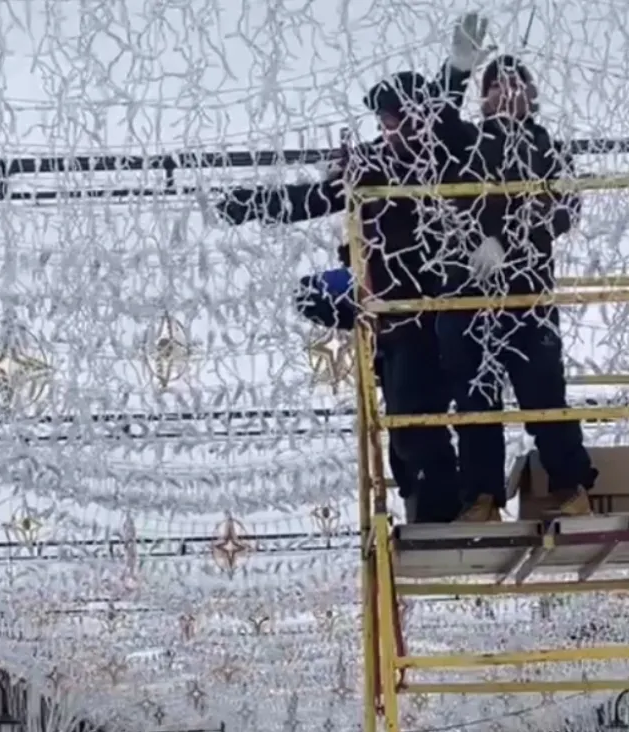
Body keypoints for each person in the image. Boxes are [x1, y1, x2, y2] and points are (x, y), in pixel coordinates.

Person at [216, 14, 492, 523]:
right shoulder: (371, 164)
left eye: (401, 118)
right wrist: (251, 204)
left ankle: (448, 504)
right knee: (406, 421)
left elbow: (445, 110)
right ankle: (429, 498)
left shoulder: (443, 156)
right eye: (387, 120)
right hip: (389, 316)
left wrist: (458, 69)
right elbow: (311, 197)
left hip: (435, 312)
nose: (394, 129)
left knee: (425, 417)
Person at [437, 55, 597, 522]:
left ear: (532, 93)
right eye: (494, 85)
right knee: (474, 401)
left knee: (545, 395)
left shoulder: (551, 149)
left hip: (527, 294)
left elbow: (564, 211)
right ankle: (482, 498)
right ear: (482, 97)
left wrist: (507, 240)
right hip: (467, 292)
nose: (505, 92)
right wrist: (456, 68)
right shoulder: (465, 141)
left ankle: (572, 487)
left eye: (515, 83)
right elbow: (436, 120)